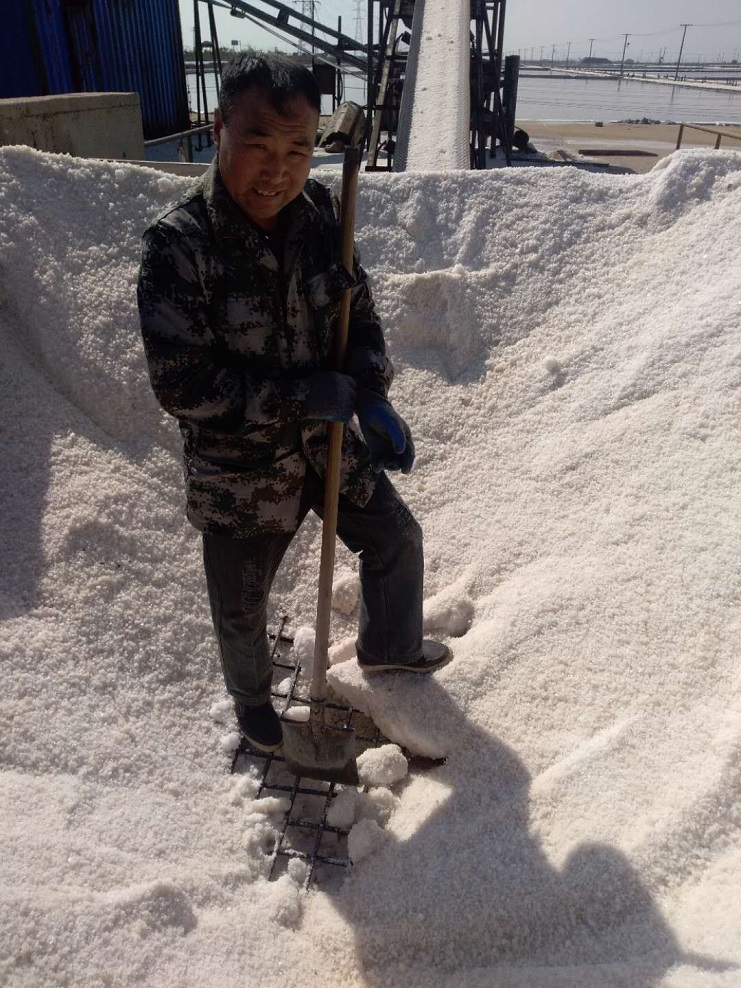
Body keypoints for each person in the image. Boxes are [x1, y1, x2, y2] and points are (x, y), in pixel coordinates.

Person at [137, 51, 451, 754]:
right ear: (218, 128)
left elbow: (357, 311)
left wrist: (370, 394)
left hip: (327, 442)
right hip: (241, 470)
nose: (277, 170)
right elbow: (182, 385)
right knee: (242, 603)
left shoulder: (321, 213)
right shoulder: (179, 245)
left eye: (298, 150)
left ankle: (390, 648)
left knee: (396, 540)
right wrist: (298, 397)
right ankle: (252, 703)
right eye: (258, 144)